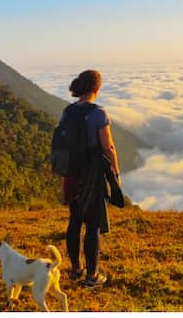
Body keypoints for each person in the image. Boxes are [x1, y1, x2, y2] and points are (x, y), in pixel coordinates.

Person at [61, 69, 120, 289]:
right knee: (93, 224)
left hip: (71, 173)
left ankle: (76, 269)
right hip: (92, 174)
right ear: (97, 88)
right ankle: (92, 276)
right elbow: (109, 146)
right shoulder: (98, 113)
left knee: (74, 220)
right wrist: (115, 172)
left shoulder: (67, 111)